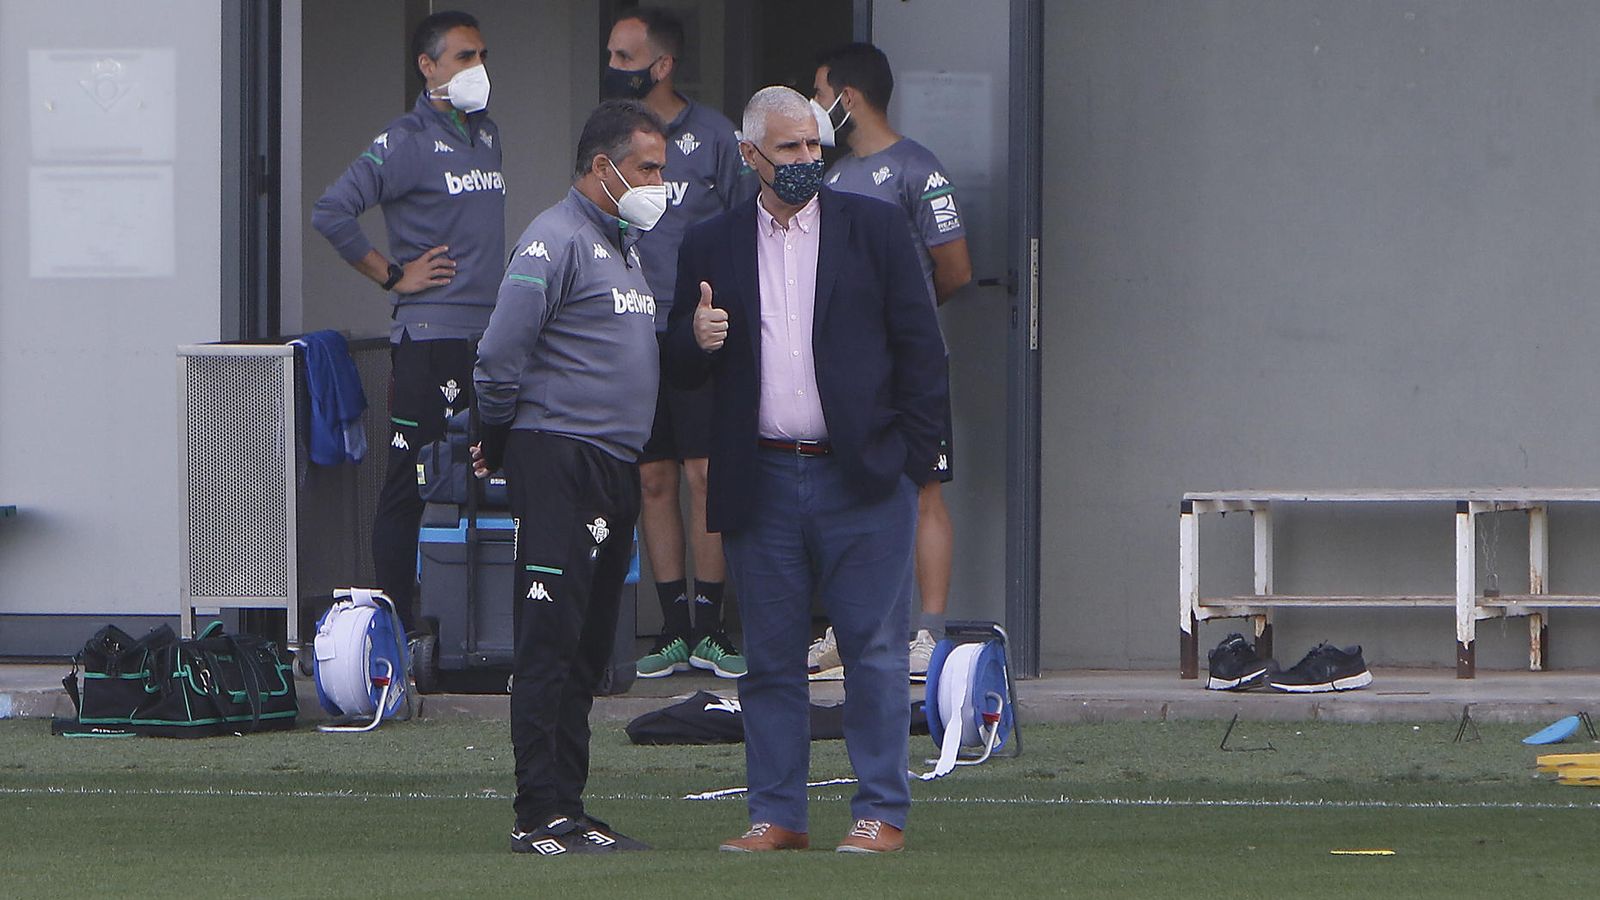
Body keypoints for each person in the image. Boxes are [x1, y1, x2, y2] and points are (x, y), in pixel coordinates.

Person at [663, 86, 947, 854]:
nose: (807, 160)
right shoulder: (710, 243)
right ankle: (779, 815)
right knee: (771, 662)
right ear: (749, 155)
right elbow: (679, 367)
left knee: (874, 654)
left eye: (815, 146)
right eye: (789, 149)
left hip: (862, 477)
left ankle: (881, 811)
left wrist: (913, 462)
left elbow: (923, 351)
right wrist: (697, 336)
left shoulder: (877, 230)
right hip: (761, 478)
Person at [472, 99, 666, 856]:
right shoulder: (554, 239)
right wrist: (496, 437)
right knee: (550, 641)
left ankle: (570, 806)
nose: (661, 182)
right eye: (649, 168)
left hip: (612, 464)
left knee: (588, 648)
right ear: (602, 168)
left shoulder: (624, 247)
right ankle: (538, 815)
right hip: (558, 457)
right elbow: (497, 356)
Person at [310, 11, 504, 637]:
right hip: (428, 340)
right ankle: (397, 620)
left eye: (481, 56)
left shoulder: (488, 133)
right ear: (428, 66)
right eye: (462, 57)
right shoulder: (405, 139)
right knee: (412, 478)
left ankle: (481, 623)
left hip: (489, 338)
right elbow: (331, 211)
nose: (477, 69)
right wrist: (393, 275)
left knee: (486, 472)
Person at [805, 42, 974, 683]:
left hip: (912, 369)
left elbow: (954, 269)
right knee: (842, 492)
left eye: (819, 96)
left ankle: (927, 635)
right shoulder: (830, 177)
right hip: (849, 375)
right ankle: (848, 633)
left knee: (924, 489)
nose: (816, 110)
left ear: (846, 99)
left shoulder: (917, 168)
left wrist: (906, 322)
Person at [603, 6, 753, 681]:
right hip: (630, 328)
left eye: (626, 58)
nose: (614, 69)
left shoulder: (717, 136)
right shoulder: (608, 137)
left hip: (698, 329)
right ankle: (671, 627)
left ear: (661, 66)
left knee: (705, 475)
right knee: (652, 477)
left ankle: (711, 627)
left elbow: (753, 227)